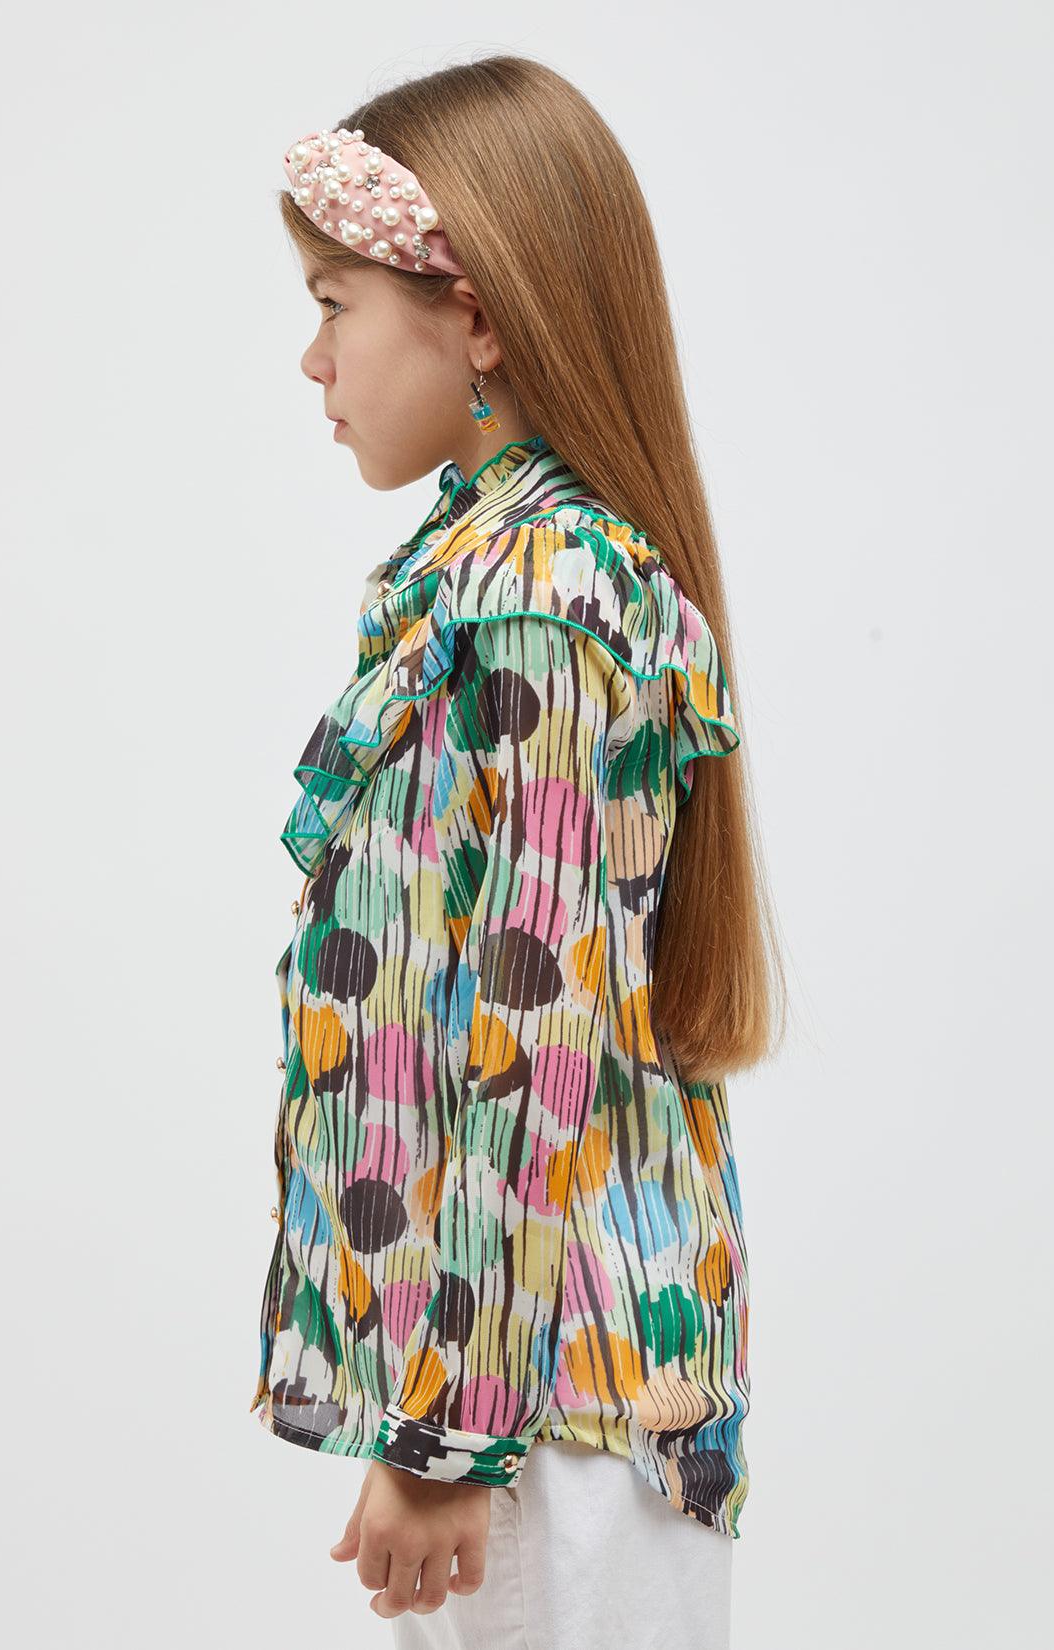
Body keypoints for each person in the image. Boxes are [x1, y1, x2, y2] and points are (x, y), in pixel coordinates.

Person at [249, 54, 786, 1650]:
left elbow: (535, 1025)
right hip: (521, 1392)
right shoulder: (486, 571)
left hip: (552, 1409)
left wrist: (446, 1438)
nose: (313, 356)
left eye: (335, 303)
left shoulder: (541, 595)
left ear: (473, 318)